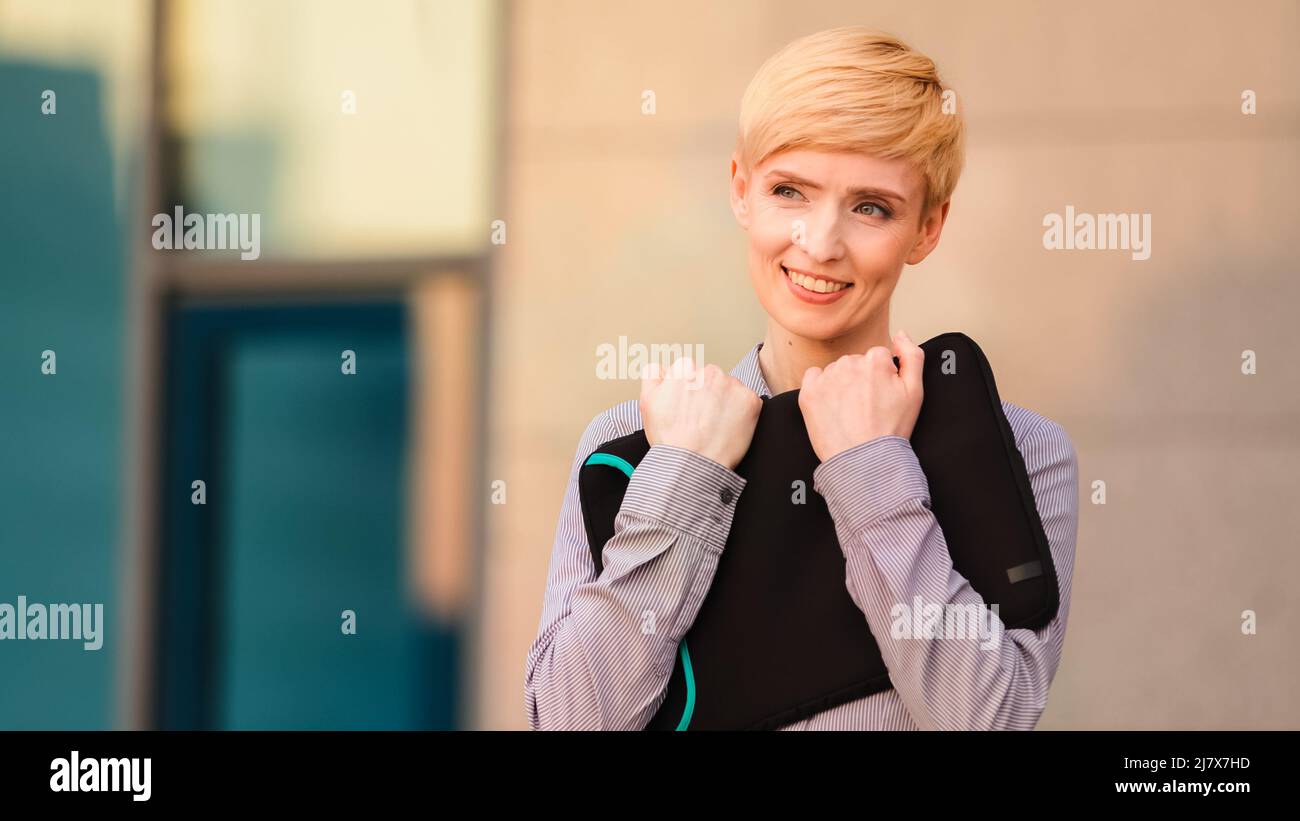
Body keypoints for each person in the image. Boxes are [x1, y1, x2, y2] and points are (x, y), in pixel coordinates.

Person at [525, 25, 1078, 730]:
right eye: (790, 191)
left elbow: (989, 720)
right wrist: (683, 476)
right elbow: (573, 721)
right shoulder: (631, 446)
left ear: (929, 228)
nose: (820, 243)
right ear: (741, 191)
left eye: (871, 207)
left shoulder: (1023, 451)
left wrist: (871, 471)